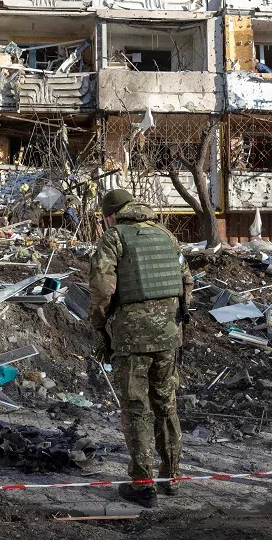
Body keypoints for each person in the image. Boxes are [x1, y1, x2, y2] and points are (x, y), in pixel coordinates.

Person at [89, 189, 193, 508]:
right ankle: (171, 476)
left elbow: (102, 288)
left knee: (136, 406)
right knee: (166, 403)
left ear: (111, 214)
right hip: (169, 335)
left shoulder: (114, 237)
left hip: (132, 337)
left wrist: (99, 326)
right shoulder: (166, 235)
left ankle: (142, 483)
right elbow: (186, 280)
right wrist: (178, 319)